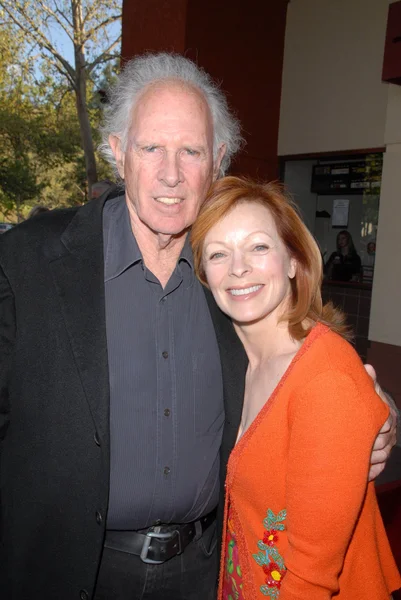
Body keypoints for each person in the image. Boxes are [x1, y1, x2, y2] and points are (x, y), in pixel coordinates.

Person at [0, 53, 396, 600]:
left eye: (191, 151)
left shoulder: (231, 278)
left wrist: (378, 420)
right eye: (152, 148)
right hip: (69, 572)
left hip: (207, 572)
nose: (171, 173)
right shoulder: (28, 261)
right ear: (117, 152)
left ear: (217, 161)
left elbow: (310, 364)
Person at [191, 176, 401, 599]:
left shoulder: (324, 378)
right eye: (218, 253)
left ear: (293, 260)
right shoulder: (234, 358)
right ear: (204, 274)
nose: (238, 267)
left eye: (258, 246)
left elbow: (310, 580)